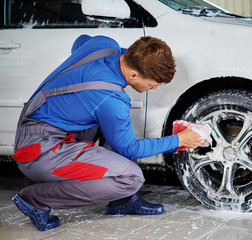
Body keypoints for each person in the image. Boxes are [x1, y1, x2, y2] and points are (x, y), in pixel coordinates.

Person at [11, 35, 202, 231]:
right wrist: (178, 140)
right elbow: (130, 149)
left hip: (37, 125)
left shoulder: (104, 45)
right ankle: (36, 199)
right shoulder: (111, 98)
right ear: (134, 74)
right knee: (131, 178)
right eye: (153, 84)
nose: (156, 88)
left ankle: (122, 201)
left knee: (112, 123)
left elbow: (80, 41)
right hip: (39, 151)